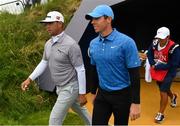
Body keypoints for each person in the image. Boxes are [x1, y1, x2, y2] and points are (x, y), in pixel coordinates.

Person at [21, 11, 91, 125]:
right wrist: (29, 79)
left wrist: (82, 93)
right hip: (60, 87)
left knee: (54, 120)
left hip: (70, 88)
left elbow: (80, 69)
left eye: (50, 23)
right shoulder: (48, 44)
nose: (47, 26)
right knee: (82, 112)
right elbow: (43, 63)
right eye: (46, 24)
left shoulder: (71, 45)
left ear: (60, 23)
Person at [85, 5, 141, 125]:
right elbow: (94, 69)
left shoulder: (126, 42)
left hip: (122, 96)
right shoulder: (93, 43)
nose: (92, 22)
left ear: (108, 19)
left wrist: (136, 103)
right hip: (102, 95)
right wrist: (93, 93)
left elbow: (134, 74)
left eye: (96, 18)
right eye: (92, 19)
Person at [147, 27, 180, 123]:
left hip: (170, 71)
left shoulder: (174, 48)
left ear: (168, 37)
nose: (160, 39)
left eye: (162, 37)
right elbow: (149, 53)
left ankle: (160, 114)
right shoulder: (155, 43)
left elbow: (174, 64)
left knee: (163, 90)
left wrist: (158, 67)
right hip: (159, 69)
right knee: (162, 87)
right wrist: (152, 63)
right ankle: (173, 96)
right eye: (158, 37)